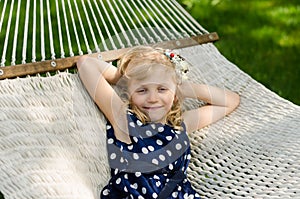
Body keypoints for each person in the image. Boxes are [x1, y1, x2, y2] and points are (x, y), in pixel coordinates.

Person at [77, 46, 240, 199]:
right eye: (142, 90)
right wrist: (128, 79)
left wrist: (180, 88)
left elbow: (230, 101)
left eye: (162, 89)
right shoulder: (124, 120)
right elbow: (86, 63)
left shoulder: (179, 125)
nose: (153, 99)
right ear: (129, 94)